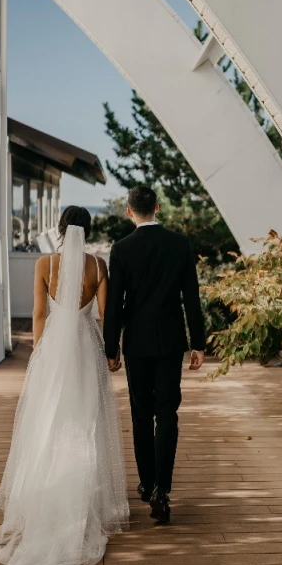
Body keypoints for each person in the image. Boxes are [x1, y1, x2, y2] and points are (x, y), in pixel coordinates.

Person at [0, 207, 129, 565]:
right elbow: (102, 315)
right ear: (90, 229)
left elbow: (37, 312)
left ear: (62, 230)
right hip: (85, 350)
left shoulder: (45, 263)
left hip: (54, 352)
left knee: (47, 422)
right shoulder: (98, 267)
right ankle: (82, 494)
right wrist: (110, 353)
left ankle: (44, 493)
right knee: (85, 423)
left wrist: (39, 350)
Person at [104, 186, 206, 524]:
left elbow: (115, 305)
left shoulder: (121, 249)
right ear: (158, 208)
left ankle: (147, 484)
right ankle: (163, 487)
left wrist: (111, 349)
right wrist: (198, 343)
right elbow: (191, 298)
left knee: (141, 414)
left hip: (136, 343)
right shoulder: (179, 245)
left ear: (129, 212)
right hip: (169, 341)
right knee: (168, 413)